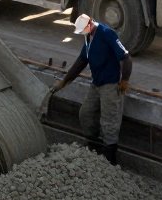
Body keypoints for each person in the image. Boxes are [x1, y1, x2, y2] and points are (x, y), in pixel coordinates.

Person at [53, 13, 133, 164]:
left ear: (90, 24)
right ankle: (93, 146)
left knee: (109, 122)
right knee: (86, 113)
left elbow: (126, 58)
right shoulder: (89, 38)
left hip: (110, 84)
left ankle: (109, 159)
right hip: (96, 83)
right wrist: (66, 80)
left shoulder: (107, 34)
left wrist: (124, 81)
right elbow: (82, 60)